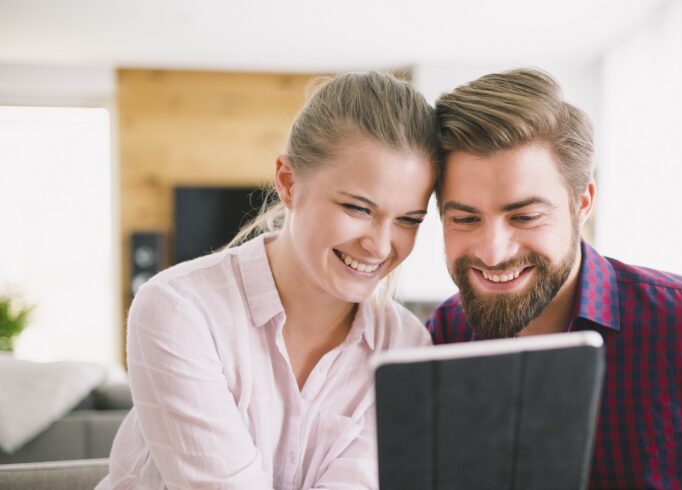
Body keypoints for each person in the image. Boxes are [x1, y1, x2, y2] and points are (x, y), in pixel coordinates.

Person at [426, 68, 682, 489]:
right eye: (464, 218)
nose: (493, 252)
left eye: (526, 216)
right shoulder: (440, 340)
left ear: (582, 202)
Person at [98, 72, 438, 489]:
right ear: (289, 183)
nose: (381, 246)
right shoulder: (178, 309)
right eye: (357, 208)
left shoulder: (405, 347)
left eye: (408, 220)